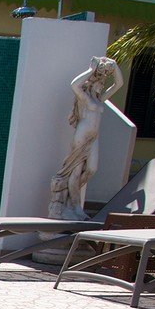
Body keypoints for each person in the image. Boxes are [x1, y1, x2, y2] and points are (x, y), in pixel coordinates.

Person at [49, 57, 124, 220]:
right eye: (100, 82)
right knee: (75, 172)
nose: (102, 85)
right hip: (81, 138)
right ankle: (74, 207)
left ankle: (72, 201)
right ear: (92, 82)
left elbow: (119, 84)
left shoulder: (99, 99)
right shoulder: (84, 98)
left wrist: (114, 66)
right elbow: (74, 85)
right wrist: (91, 70)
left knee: (91, 169)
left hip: (93, 138)